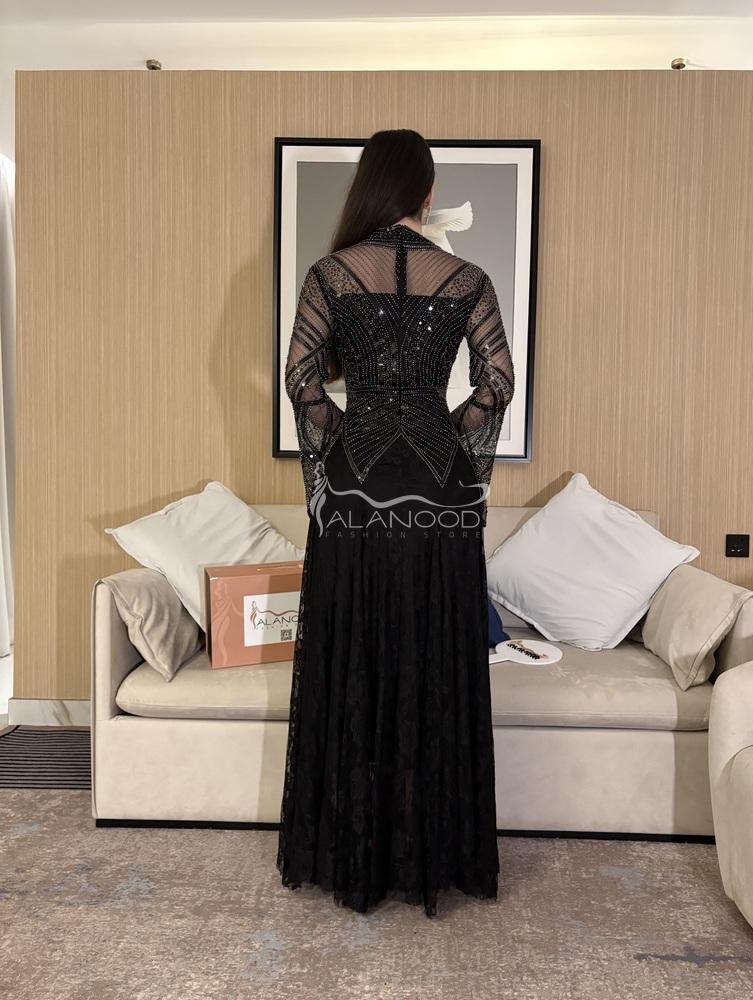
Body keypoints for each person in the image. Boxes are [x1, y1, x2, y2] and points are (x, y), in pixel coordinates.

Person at [276, 128, 515, 918]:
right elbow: (498, 383)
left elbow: (300, 379)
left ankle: (356, 855)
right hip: (441, 495)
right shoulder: (467, 278)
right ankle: (434, 852)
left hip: (355, 492)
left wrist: (346, 438)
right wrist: (446, 433)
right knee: (433, 659)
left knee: (357, 658)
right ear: (426, 191)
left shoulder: (331, 274)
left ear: (371, 186)